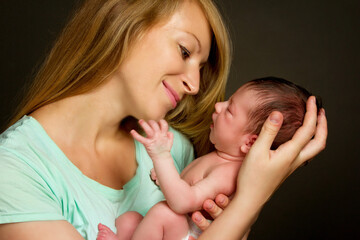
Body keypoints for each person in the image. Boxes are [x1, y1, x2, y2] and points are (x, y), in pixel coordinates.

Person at [0, 0, 327, 239]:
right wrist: (252, 199)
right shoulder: (14, 170)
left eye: (200, 67)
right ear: (123, 20)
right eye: (185, 51)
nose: (196, 86)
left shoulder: (178, 149)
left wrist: (244, 208)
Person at [96, 77, 323, 240]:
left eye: (230, 111)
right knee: (130, 220)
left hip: (188, 234)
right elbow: (185, 188)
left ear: (251, 143)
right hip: (175, 228)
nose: (218, 106)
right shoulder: (217, 157)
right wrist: (166, 177)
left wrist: (162, 157)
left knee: (162, 213)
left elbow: (182, 202)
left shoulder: (229, 173)